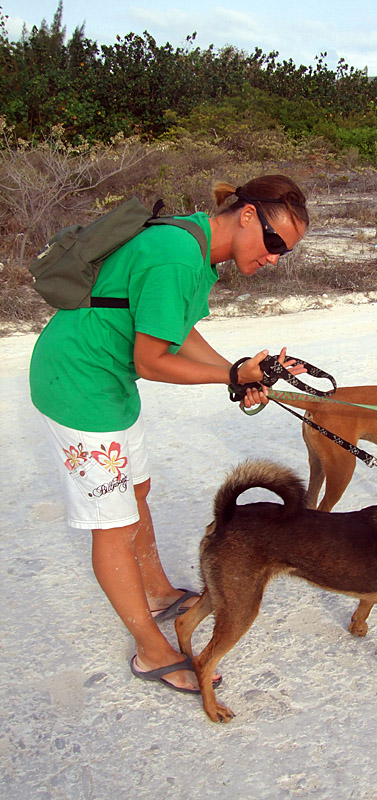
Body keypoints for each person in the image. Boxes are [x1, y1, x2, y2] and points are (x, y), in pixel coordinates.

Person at [29, 174, 309, 694]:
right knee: (111, 524)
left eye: (284, 252)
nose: (274, 257)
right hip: (79, 384)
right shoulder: (177, 254)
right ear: (247, 214)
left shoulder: (196, 245)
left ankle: (156, 592)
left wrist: (238, 371)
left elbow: (180, 330)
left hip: (109, 383)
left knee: (136, 493)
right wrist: (230, 376)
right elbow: (153, 359)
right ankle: (149, 648)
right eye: (273, 242)